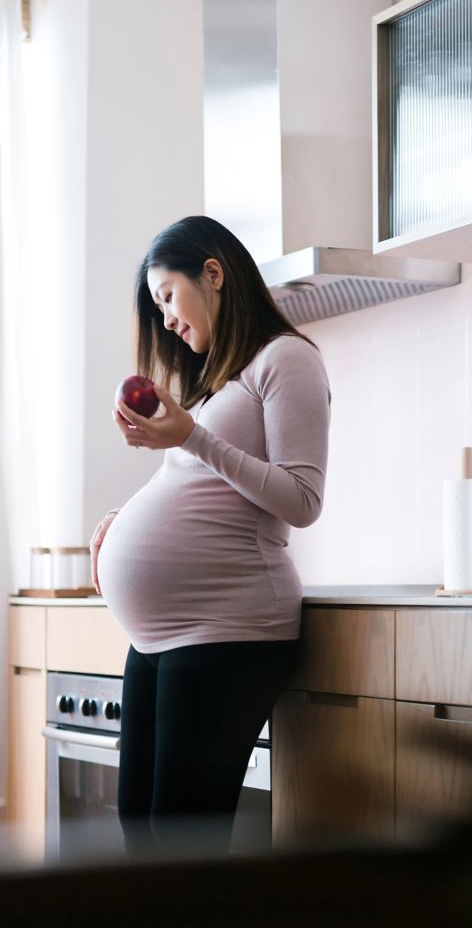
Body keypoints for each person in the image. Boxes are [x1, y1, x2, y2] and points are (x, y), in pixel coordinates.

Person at [89, 215, 331, 856]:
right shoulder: (218, 382)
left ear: (214, 274)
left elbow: (302, 501)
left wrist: (192, 437)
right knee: (140, 834)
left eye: (168, 296)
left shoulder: (288, 359)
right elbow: (202, 485)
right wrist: (124, 523)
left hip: (230, 630)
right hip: (160, 638)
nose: (165, 319)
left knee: (179, 847)